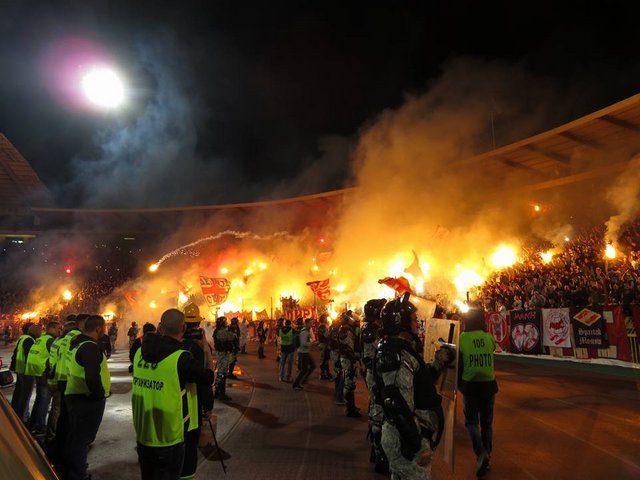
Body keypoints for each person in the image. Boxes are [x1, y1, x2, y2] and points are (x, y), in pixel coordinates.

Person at [374, 292, 455, 480]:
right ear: (400, 323)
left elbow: (417, 383)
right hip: (406, 441)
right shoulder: (395, 354)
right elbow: (397, 403)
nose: (416, 323)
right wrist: (416, 444)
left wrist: (437, 365)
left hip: (406, 438)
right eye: (413, 319)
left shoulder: (400, 350)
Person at [132, 308, 215, 480]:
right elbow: (208, 378)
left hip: (144, 433)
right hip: (170, 436)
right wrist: (205, 348)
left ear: (160, 327)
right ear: (183, 328)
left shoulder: (140, 353)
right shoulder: (181, 358)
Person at [63, 315, 111, 480]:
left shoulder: (78, 343)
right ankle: (77, 475)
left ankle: (73, 469)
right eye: (104, 328)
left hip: (76, 395)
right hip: (86, 398)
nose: (104, 332)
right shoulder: (89, 347)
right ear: (98, 328)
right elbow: (92, 377)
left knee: (76, 437)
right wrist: (99, 394)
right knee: (82, 440)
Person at [459, 304, 499, 478]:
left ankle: (481, 453)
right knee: (487, 423)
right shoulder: (488, 337)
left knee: (471, 423)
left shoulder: (462, 338)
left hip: (470, 385)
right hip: (489, 384)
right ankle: (487, 456)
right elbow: (492, 348)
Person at [49, 313, 89, 473]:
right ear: (81, 323)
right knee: (72, 423)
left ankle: (58, 454)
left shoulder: (63, 337)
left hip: (60, 378)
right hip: (69, 381)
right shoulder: (78, 338)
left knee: (63, 419)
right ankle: (71, 463)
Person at [180, 303, 215, 480]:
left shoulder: (174, 344)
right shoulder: (200, 347)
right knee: (189, 448)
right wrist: (208, 405)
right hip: (191, 406)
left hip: (173, 405)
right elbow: (206, 379)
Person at [360, 298, 389, 473]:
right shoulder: (374, 331)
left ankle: (375, 449)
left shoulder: (367, 328)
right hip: (375, 373)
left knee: (375, 407)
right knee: (378, 411)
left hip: (371, 371)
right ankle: (380, 456)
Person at [25, 320, 61, 435]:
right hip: (44, 373)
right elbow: (55, 356)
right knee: (45, 401)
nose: (59, 331)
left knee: (40, 399)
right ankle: (40, 425)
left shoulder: (41, 339)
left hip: (36, 371)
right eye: (58, 329)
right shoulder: (50, 340)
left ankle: (34, 422)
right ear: (52, 328)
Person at [46, 318, 76, 444]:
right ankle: (53, 436)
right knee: (57, 410)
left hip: (53, 378)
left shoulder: (57, 341)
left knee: (56, 408)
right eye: (58, 328)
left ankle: (52, 434)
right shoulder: (65, 342)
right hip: (59, 379)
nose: (59, 330)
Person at [10, 322, 41, 422]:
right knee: (25, 396)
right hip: (26, 372)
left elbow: (15, 353)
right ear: (34, 331)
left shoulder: (22, 338)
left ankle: (15, 414)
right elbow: (30, 357)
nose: (40, 332)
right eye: (39, 330)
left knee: (19, 393)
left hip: (20, 370)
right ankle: (22, 418)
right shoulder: (29, 340)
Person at [338, 312, 361, 417]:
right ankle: (350, 409)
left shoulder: (346, 329)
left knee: (351, 383)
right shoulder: (345, 331)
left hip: (348, 359)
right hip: (348, 360)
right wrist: (354, 358)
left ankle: (352, 406)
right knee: (349, 383)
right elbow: (347, 348)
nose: (353, 320)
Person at [213, 316, 236, 401]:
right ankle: (221, 393)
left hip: (222, 353)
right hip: (223, 354)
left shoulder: (218, 331)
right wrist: (232, 330)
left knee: (221, 373)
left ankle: (218, 392)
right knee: (222, 373)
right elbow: (232, 336)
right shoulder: (221, 332)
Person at [292, 318, 316, 390]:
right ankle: (296, 384)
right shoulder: (304, 332)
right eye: (311, 323)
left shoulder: (305, 330)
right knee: (304, 369)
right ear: (307, 323)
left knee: (311, 366)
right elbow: (303, 343)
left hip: (304, 352)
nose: (312, 325)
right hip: (303, 352)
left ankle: (302, 380)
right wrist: (312, 343)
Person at [328, 321, 345, 404]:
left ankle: (337, 395)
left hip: (334, 353)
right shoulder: (335, 332)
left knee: (338, 375)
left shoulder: (332, 330)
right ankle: (339, 397)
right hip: (335, 353)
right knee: (340, 375)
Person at [316, 314, 332, 380]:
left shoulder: (321, 326)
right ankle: (323, 374)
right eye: (326, 318)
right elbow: (326, 335)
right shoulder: (323, 326)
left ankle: (327, 373)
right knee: (324, 360)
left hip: (323, 344)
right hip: (324, 344)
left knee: (326, 360)